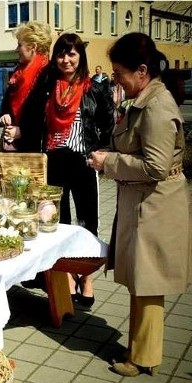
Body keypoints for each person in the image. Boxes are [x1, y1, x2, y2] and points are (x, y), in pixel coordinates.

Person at [89, 32, 190, 378]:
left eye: (119, 73)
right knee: (140, 283)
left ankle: (143, 358)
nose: (115, 79)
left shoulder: (158, 107)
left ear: (142, 70)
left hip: (156, 206)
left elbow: (156, 166)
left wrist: (108, 163)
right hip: (144, 203)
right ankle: (139, 349)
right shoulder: (145, 100)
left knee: (148, 284)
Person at [19, 34, 115, 304]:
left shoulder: (94, 89)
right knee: (58, 221)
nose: (66, 60)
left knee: (87, 222)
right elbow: (28, 117)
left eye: (72, 54)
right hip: (53, 161)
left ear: (80, 57)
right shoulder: (48, 86)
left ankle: (87, 277)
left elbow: (109, 122)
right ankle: (68, 276)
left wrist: (102, 151)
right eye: (61, 54)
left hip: (83, 162)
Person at [0, 21, 53, 152]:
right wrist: (5, 114)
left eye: (19, 45)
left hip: (35, 148)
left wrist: (23, 131)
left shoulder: (48, 74)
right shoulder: (18, 73)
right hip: (13, 145)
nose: (16, 49)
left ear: (32, 47)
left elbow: (48, 117)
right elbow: (7, 103)